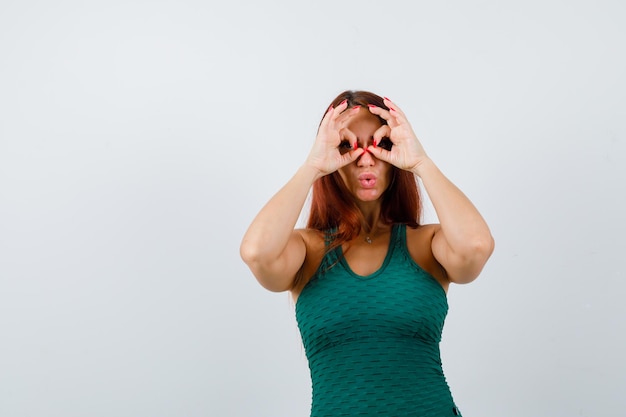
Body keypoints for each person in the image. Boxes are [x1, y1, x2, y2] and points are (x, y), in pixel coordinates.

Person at [240, 90, 494, 417]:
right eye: (348, 146)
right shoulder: (308, 251)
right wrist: (313, 165)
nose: (365, 158)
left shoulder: (426, 244)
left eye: (380, 145)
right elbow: (256, 253)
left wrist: (421, 162)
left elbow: (476, 247)